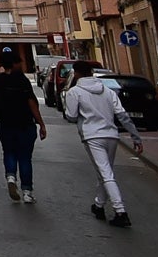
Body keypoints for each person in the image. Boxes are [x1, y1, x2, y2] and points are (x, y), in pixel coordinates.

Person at [60, 59, 141, 226]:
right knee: (105, 172)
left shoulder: (74, 92)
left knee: (105, 173)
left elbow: (71, 116)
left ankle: (120, 211)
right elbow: (122, 115)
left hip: (92, 136)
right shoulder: (108, 91)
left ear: (76, 73)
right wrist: (135, 136)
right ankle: (98, 205)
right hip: (111, 135)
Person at [0, 46, 46, 202]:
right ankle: (27, 193)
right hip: (24, 123)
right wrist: (41, 124)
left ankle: (10, 177)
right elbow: (32, 103)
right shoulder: (22, 80)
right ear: (14, 63)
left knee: (9, 151)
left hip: (4, 123)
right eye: (19, 63)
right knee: (24, 157)